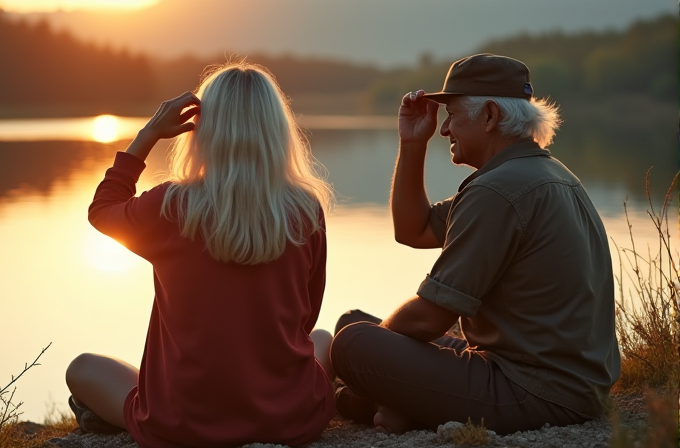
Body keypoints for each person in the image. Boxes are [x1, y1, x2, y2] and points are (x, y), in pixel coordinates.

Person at [330, 53, 621, 435]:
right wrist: (412, 143)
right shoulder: (542, 172)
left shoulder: (497, 191)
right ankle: (396, 405)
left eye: (451, 115)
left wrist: (374, 362)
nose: (445, 129)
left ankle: (370, 402)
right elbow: (412, 230)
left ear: (489, 116)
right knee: (352, 322)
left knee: (354, 343)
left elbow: (428, 318)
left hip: (533, 390)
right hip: (563, 383)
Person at [65, 62, 336, 448]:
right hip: (289, 420)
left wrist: (147, 136)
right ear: (277, 131)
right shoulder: (306, 210)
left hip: (183, 425)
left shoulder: (172, 206)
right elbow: (306, 316)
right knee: (325, 338)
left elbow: (102, 211)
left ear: (203, 132)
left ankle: (149, 404)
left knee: (83, 368)